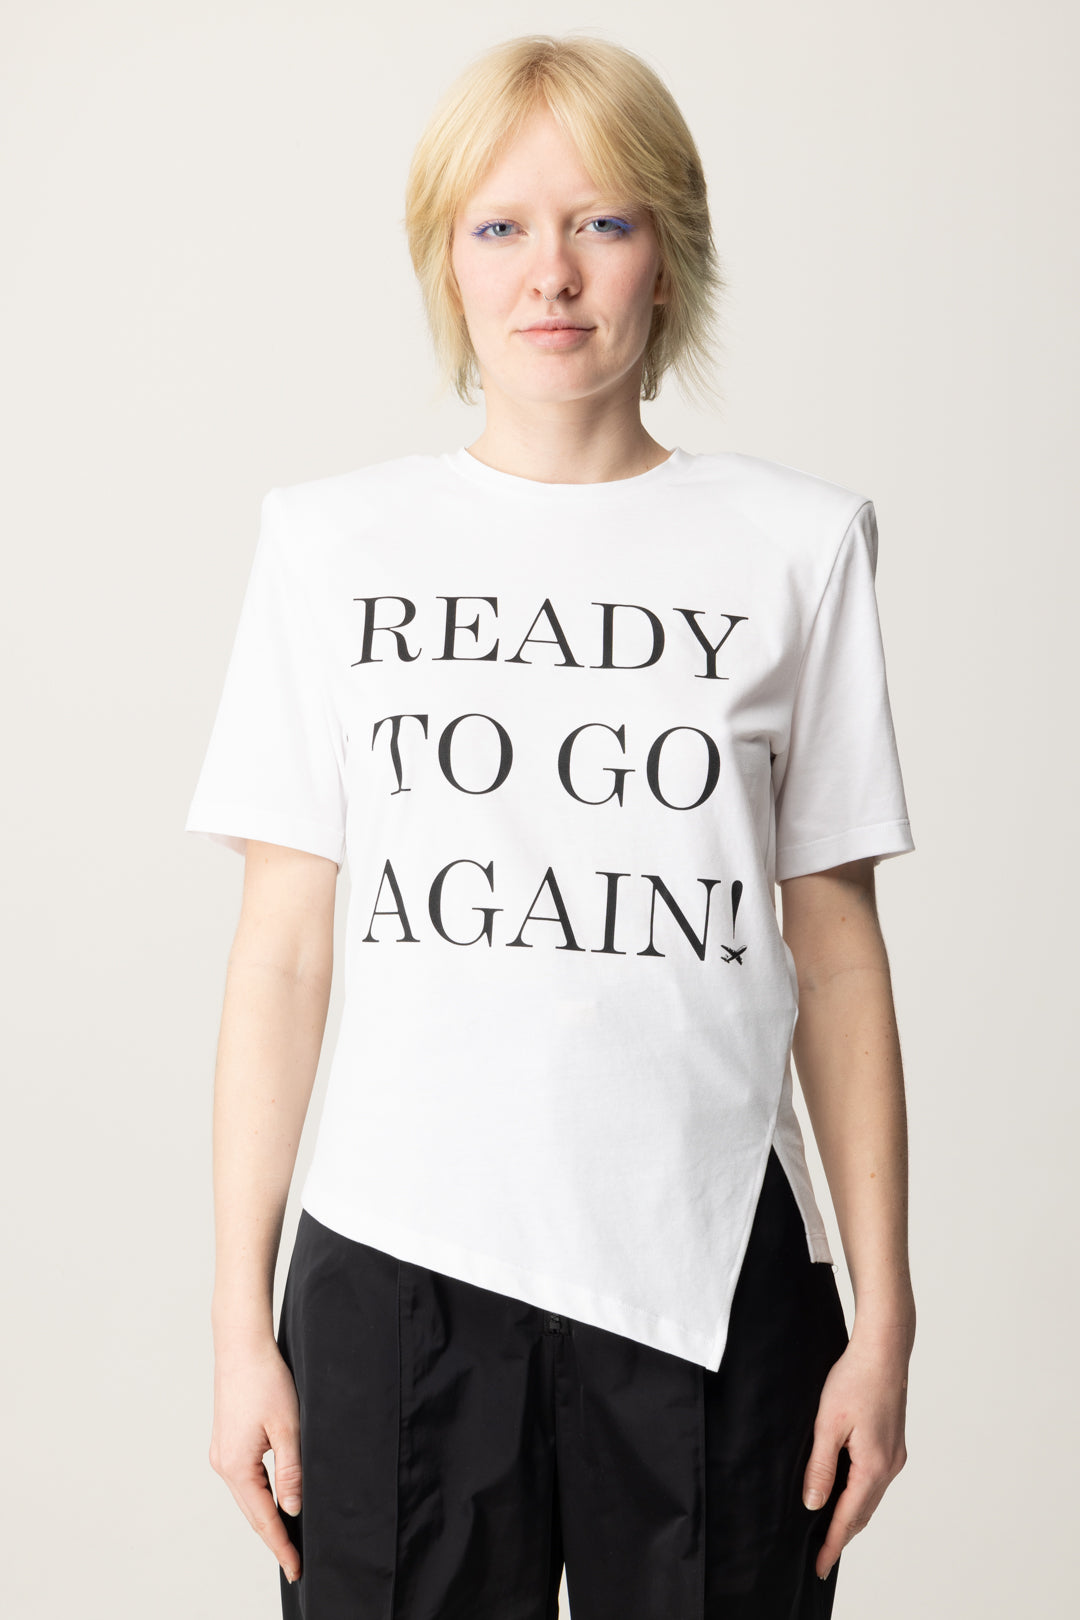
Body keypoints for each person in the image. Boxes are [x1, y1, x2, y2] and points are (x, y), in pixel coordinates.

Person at [185, 32, 916, 1620]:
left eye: (604, 221)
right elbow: (282, 955)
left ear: (670, 252)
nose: (553, 274)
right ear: (446, 261)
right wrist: (241, 1327)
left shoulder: (797, 548)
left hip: (711, 1262)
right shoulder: (329, 546)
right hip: (396, 1269)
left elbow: (838, 954)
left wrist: (885, 1321)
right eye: (501, 226)